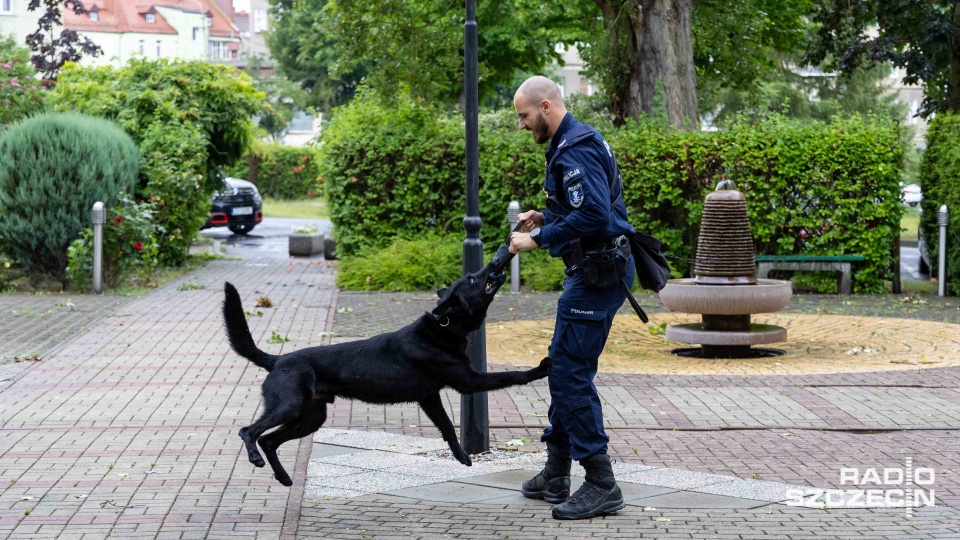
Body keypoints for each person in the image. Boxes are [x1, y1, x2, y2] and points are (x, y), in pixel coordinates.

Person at [508, 76, 636, 520]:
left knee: (568, 374)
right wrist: (546, 214)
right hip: (594, 269)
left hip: (599, 274)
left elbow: (597, 214)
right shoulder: (573, 141)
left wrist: (539, 238)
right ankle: (557, 471)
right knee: (565, 365)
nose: (522, 125)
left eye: (525, 116)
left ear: (546, 106)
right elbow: (589, 208)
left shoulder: (576, 146)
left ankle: (601, 483)